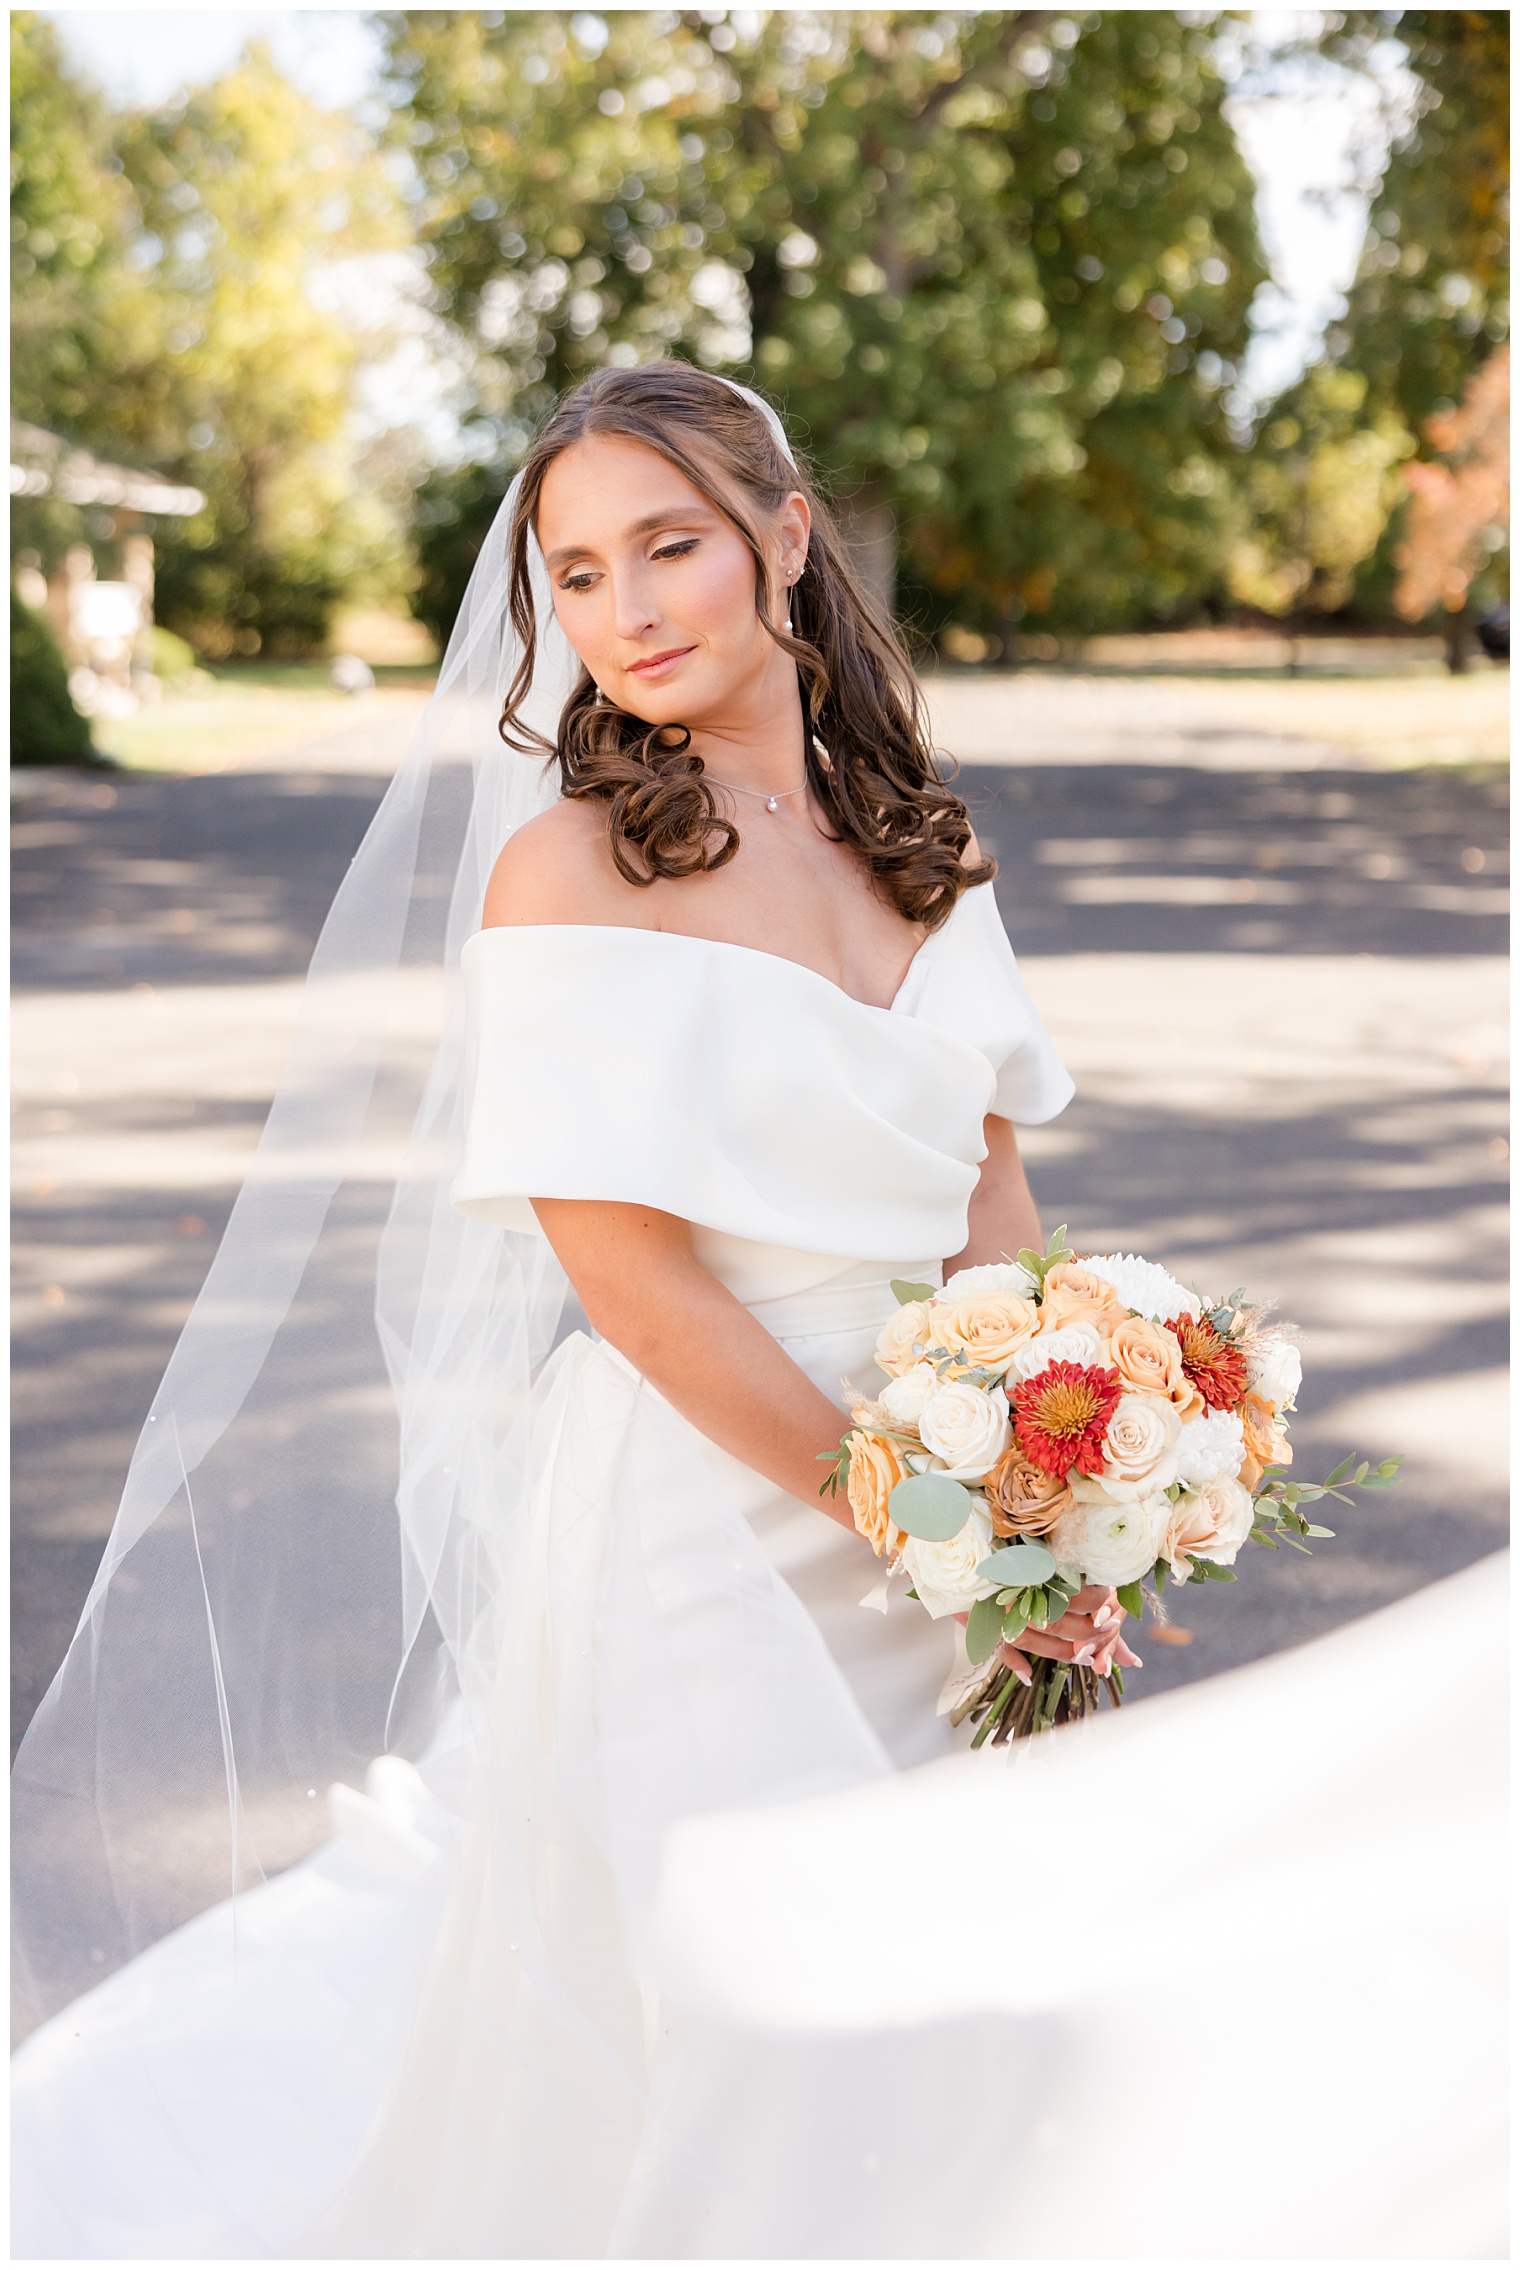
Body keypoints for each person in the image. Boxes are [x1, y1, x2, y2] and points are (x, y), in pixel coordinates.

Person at [11, 367, 1504, 2261]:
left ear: (785, 542)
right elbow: (629, 1287)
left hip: (953, 1532)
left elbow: (989, 1191)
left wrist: (1063, 1467)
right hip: (702, 1535)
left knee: (962, 2000)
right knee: (751, 2021)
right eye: (576, 571)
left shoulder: (920, 845)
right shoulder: (569, 878)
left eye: (671, 546)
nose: (625, 609)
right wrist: (913, 1506)